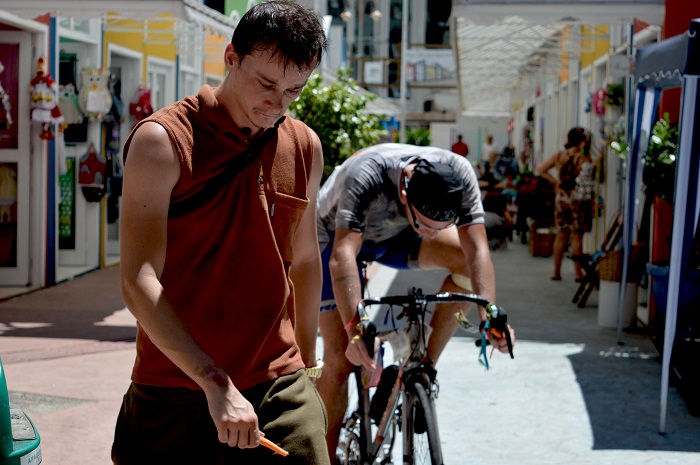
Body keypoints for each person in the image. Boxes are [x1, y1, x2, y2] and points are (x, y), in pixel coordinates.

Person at [112, 3, 330, 464]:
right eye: (266, 83)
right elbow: (138, 280)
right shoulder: (163, 141)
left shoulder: (304, 145)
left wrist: (305, 369)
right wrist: (213, 381)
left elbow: (307, 261)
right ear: (230, 57)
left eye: (294, 90)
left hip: (278, 384)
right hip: (173, 385)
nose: (277, 103)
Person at [314, 143, 515, 463]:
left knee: (462, 257)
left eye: (441, 228)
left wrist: (487, 313)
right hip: (333, 238)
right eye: (427, 225)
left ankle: (425, 366)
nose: (434, 235)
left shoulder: (460, 174)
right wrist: (356, 329)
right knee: (341, 360)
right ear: (405, 194)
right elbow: (342, 257)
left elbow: (477, 250)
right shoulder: (369, 172)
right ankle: (323, 457)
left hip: (398, 234)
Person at [536, 127, 594, 282]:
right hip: (577, 199)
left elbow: (540, 169)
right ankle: (577, 273)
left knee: (561, 234)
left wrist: (555, 182)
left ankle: (556, 271)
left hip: (561, 198)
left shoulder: (560, 155)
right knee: (576, 235)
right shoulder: (582, 156)